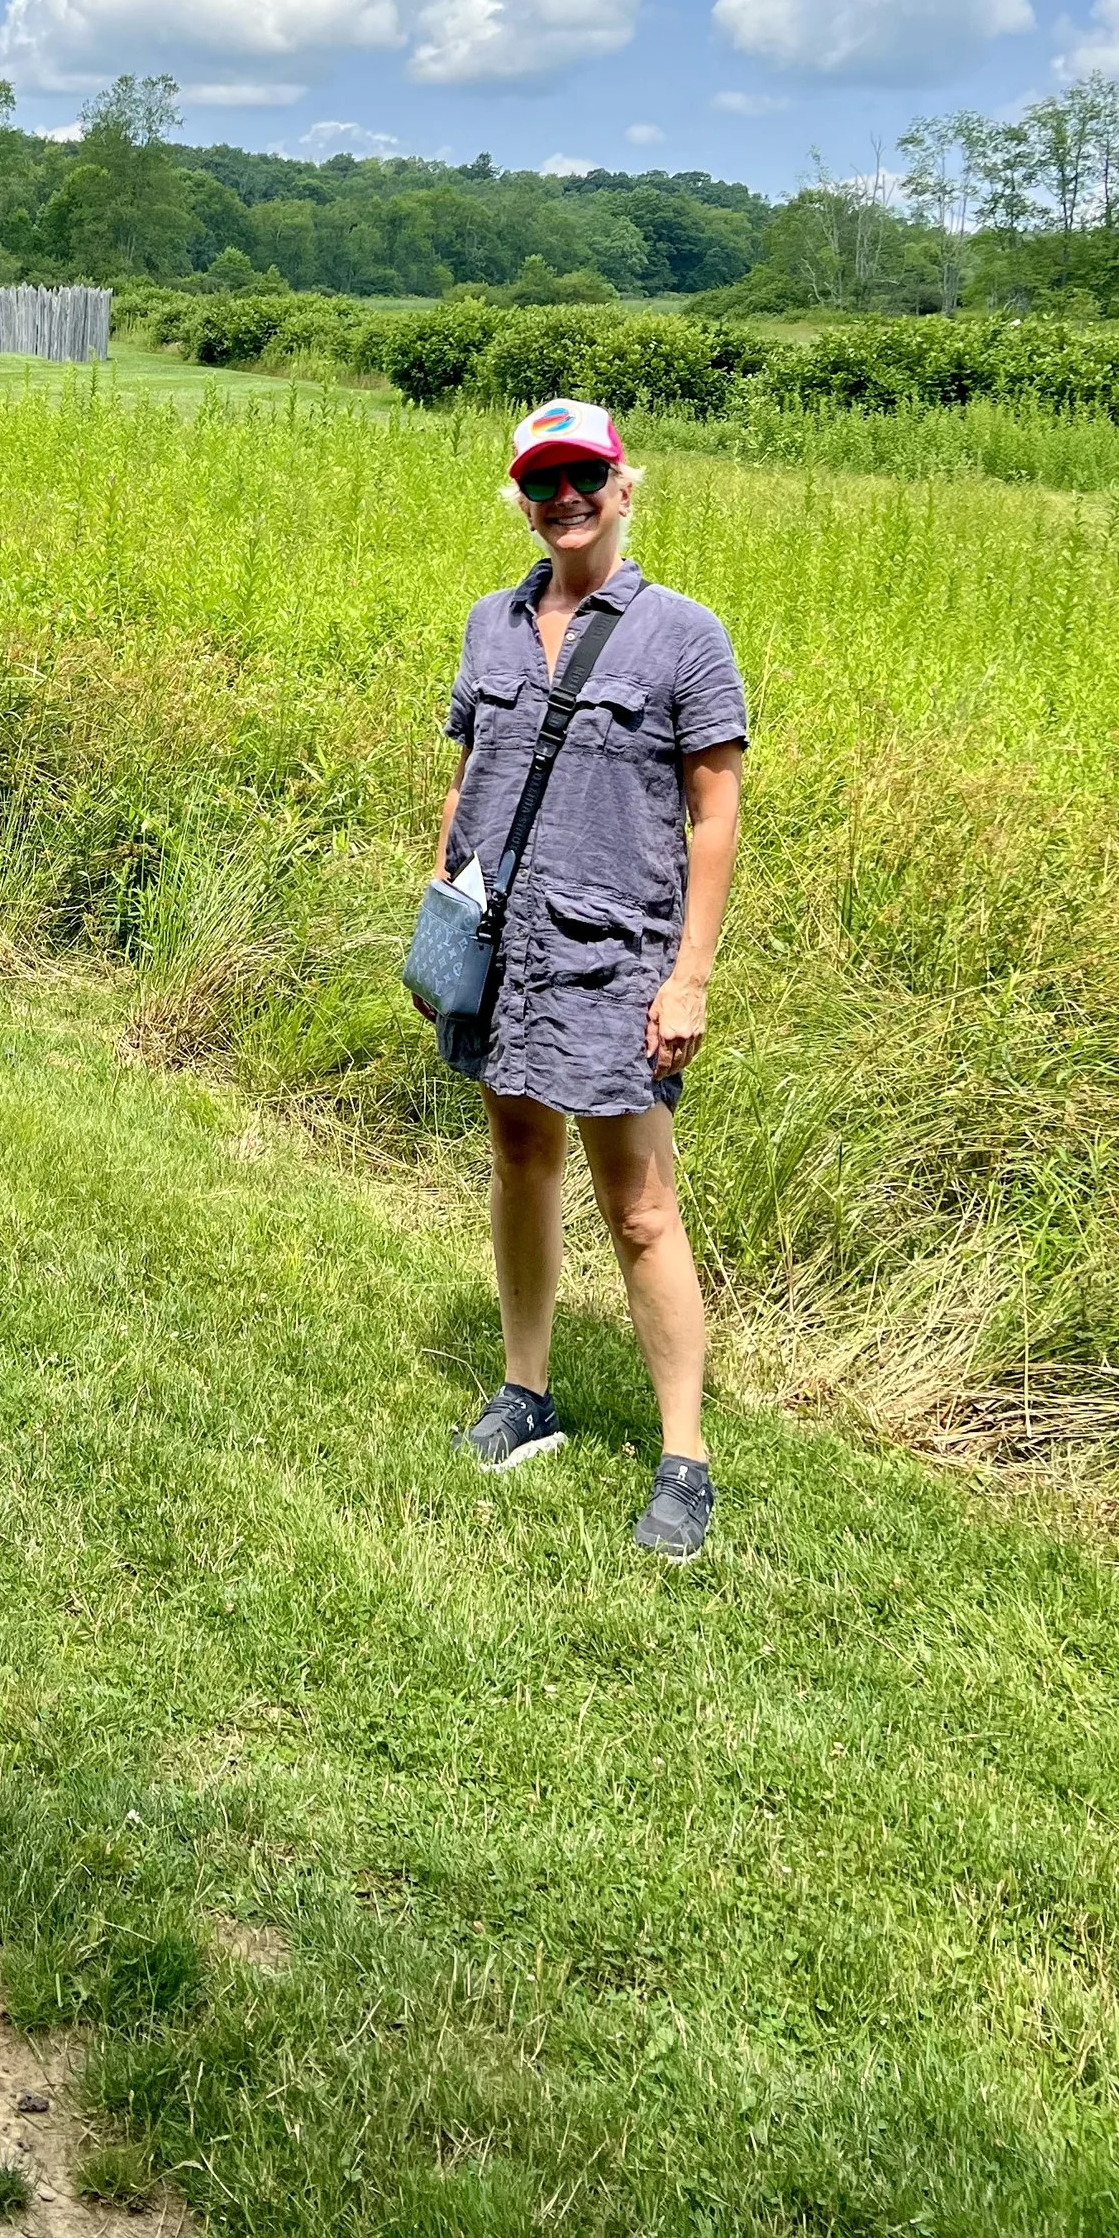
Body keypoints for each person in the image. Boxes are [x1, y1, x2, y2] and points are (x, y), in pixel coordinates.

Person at [433, 398, 746, 1561]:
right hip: (501, 945)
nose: (564, 499)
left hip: (616, 955)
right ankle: (527, 1396)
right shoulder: (490, 623)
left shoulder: (683, 634)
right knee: (517, 1156)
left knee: (640, 1206)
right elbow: (469, 780)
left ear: (625, 487)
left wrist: (689, 977)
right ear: (520, 497)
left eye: (585, 478)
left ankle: (684, 1459)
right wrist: (443, 917)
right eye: (541, 481)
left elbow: (713, 815)